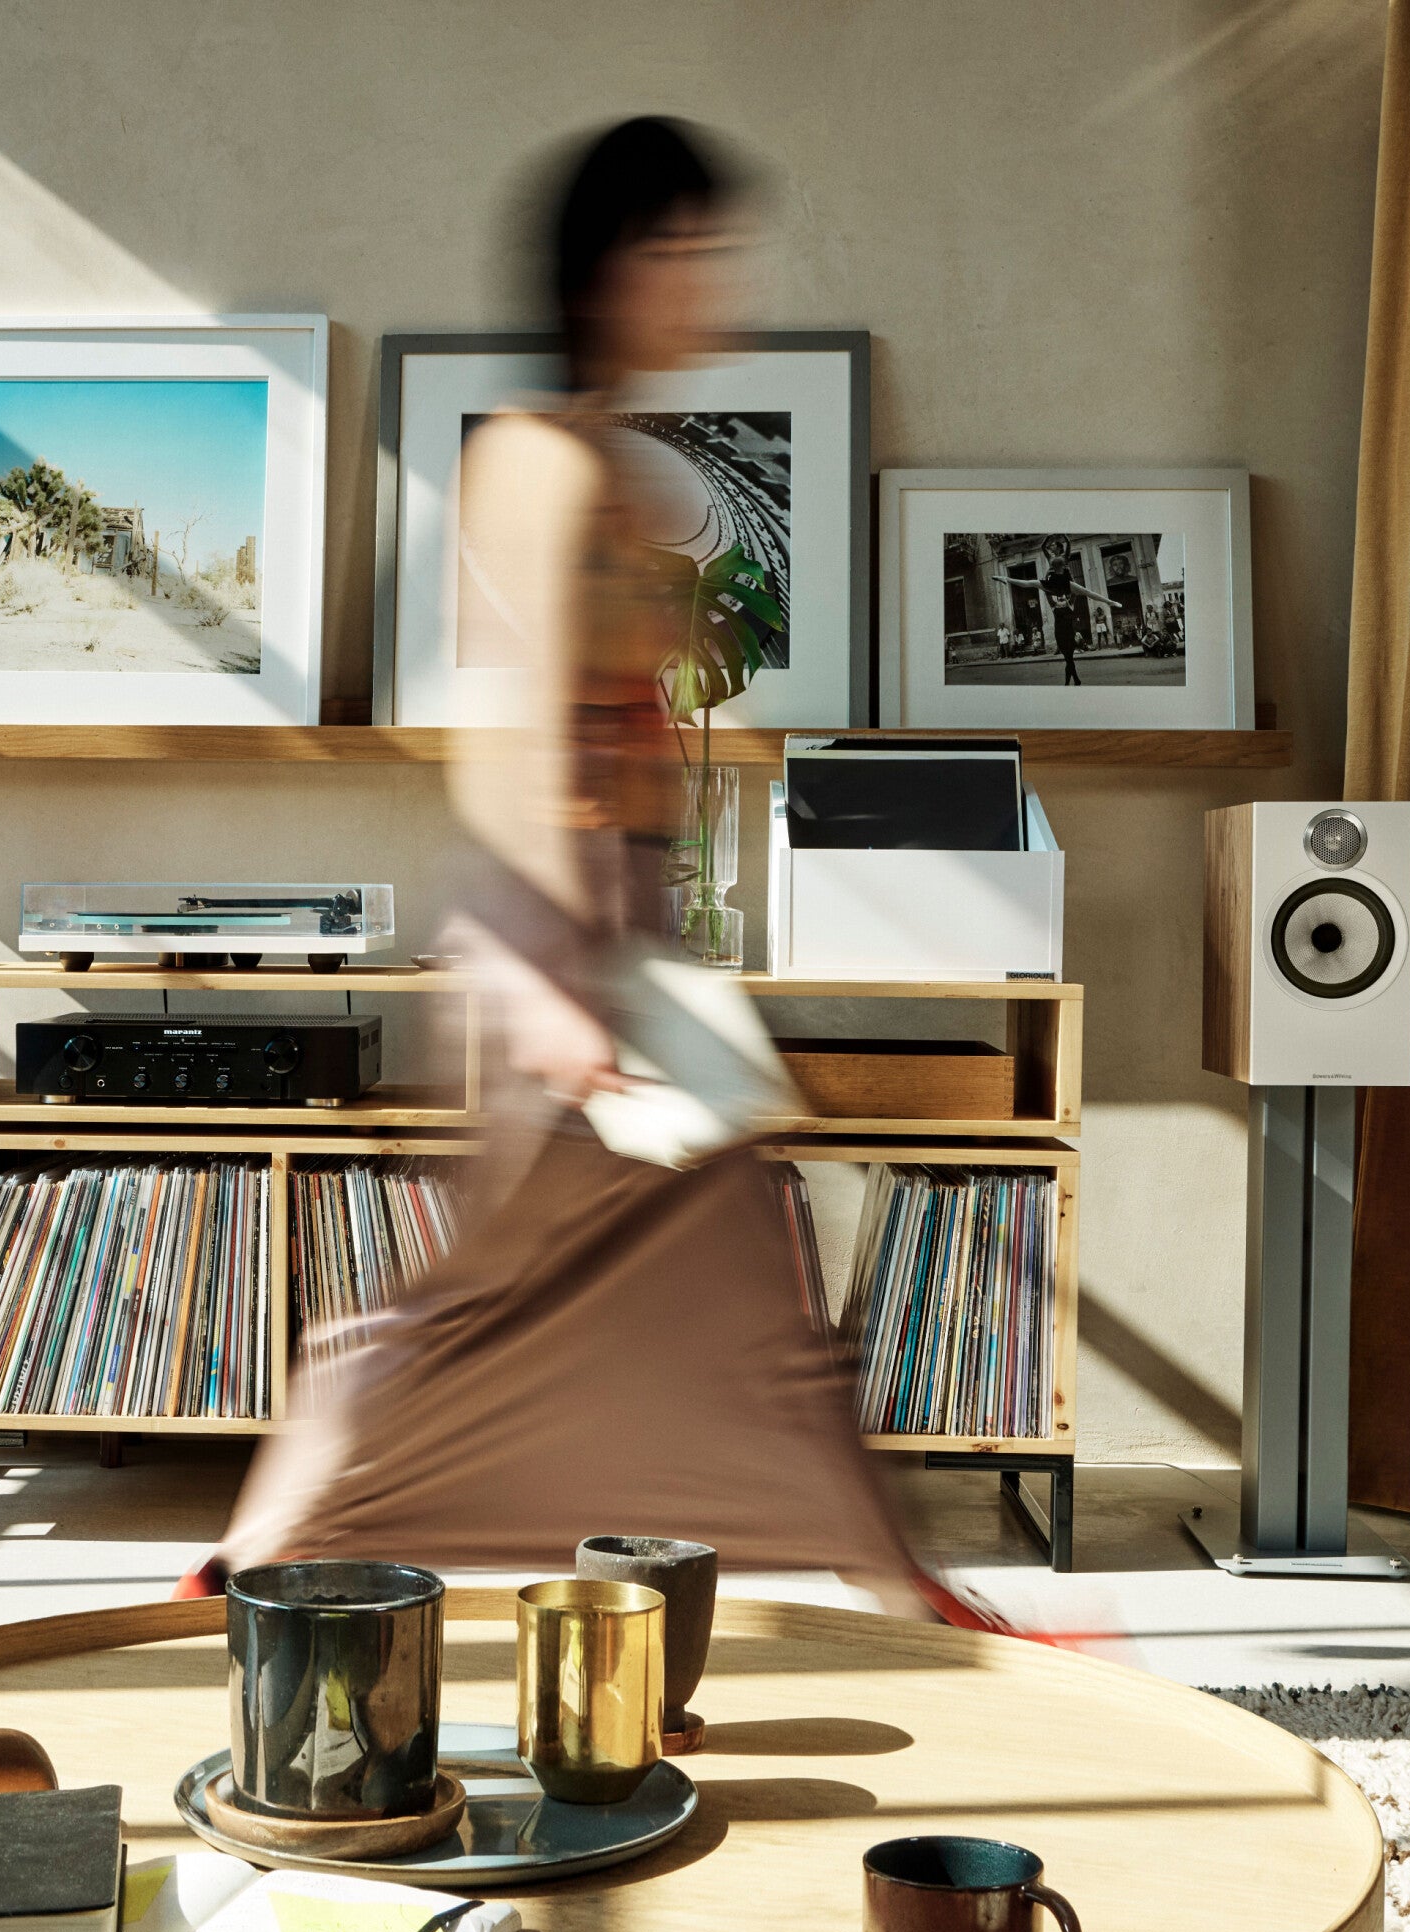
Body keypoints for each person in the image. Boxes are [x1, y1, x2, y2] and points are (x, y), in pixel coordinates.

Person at [192, 119, 944, 1622]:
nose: (709, 277)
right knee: (481, 1299)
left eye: (714, 246)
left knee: (732, 1275)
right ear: (603, 265)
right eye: (680, 246)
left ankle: (898, 1583)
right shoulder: (541, 459)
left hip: (618, 917)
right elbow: (511, 731)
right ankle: (250, 1568)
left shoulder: (596, 454)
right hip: (569, 928)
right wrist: (555, 971)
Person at [1000, 536, 1120, 687]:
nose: (1062, 599)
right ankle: (1074, 680)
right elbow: (1036, 586)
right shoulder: (1055, 605)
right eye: (1061, 598)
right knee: (1069, 659)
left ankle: (1070, 681)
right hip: (1060, 630)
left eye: (1054, 546)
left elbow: (1085, 593)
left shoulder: (1069, 603)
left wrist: (1064, 537)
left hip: (1068, 628)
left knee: (1069, 659)